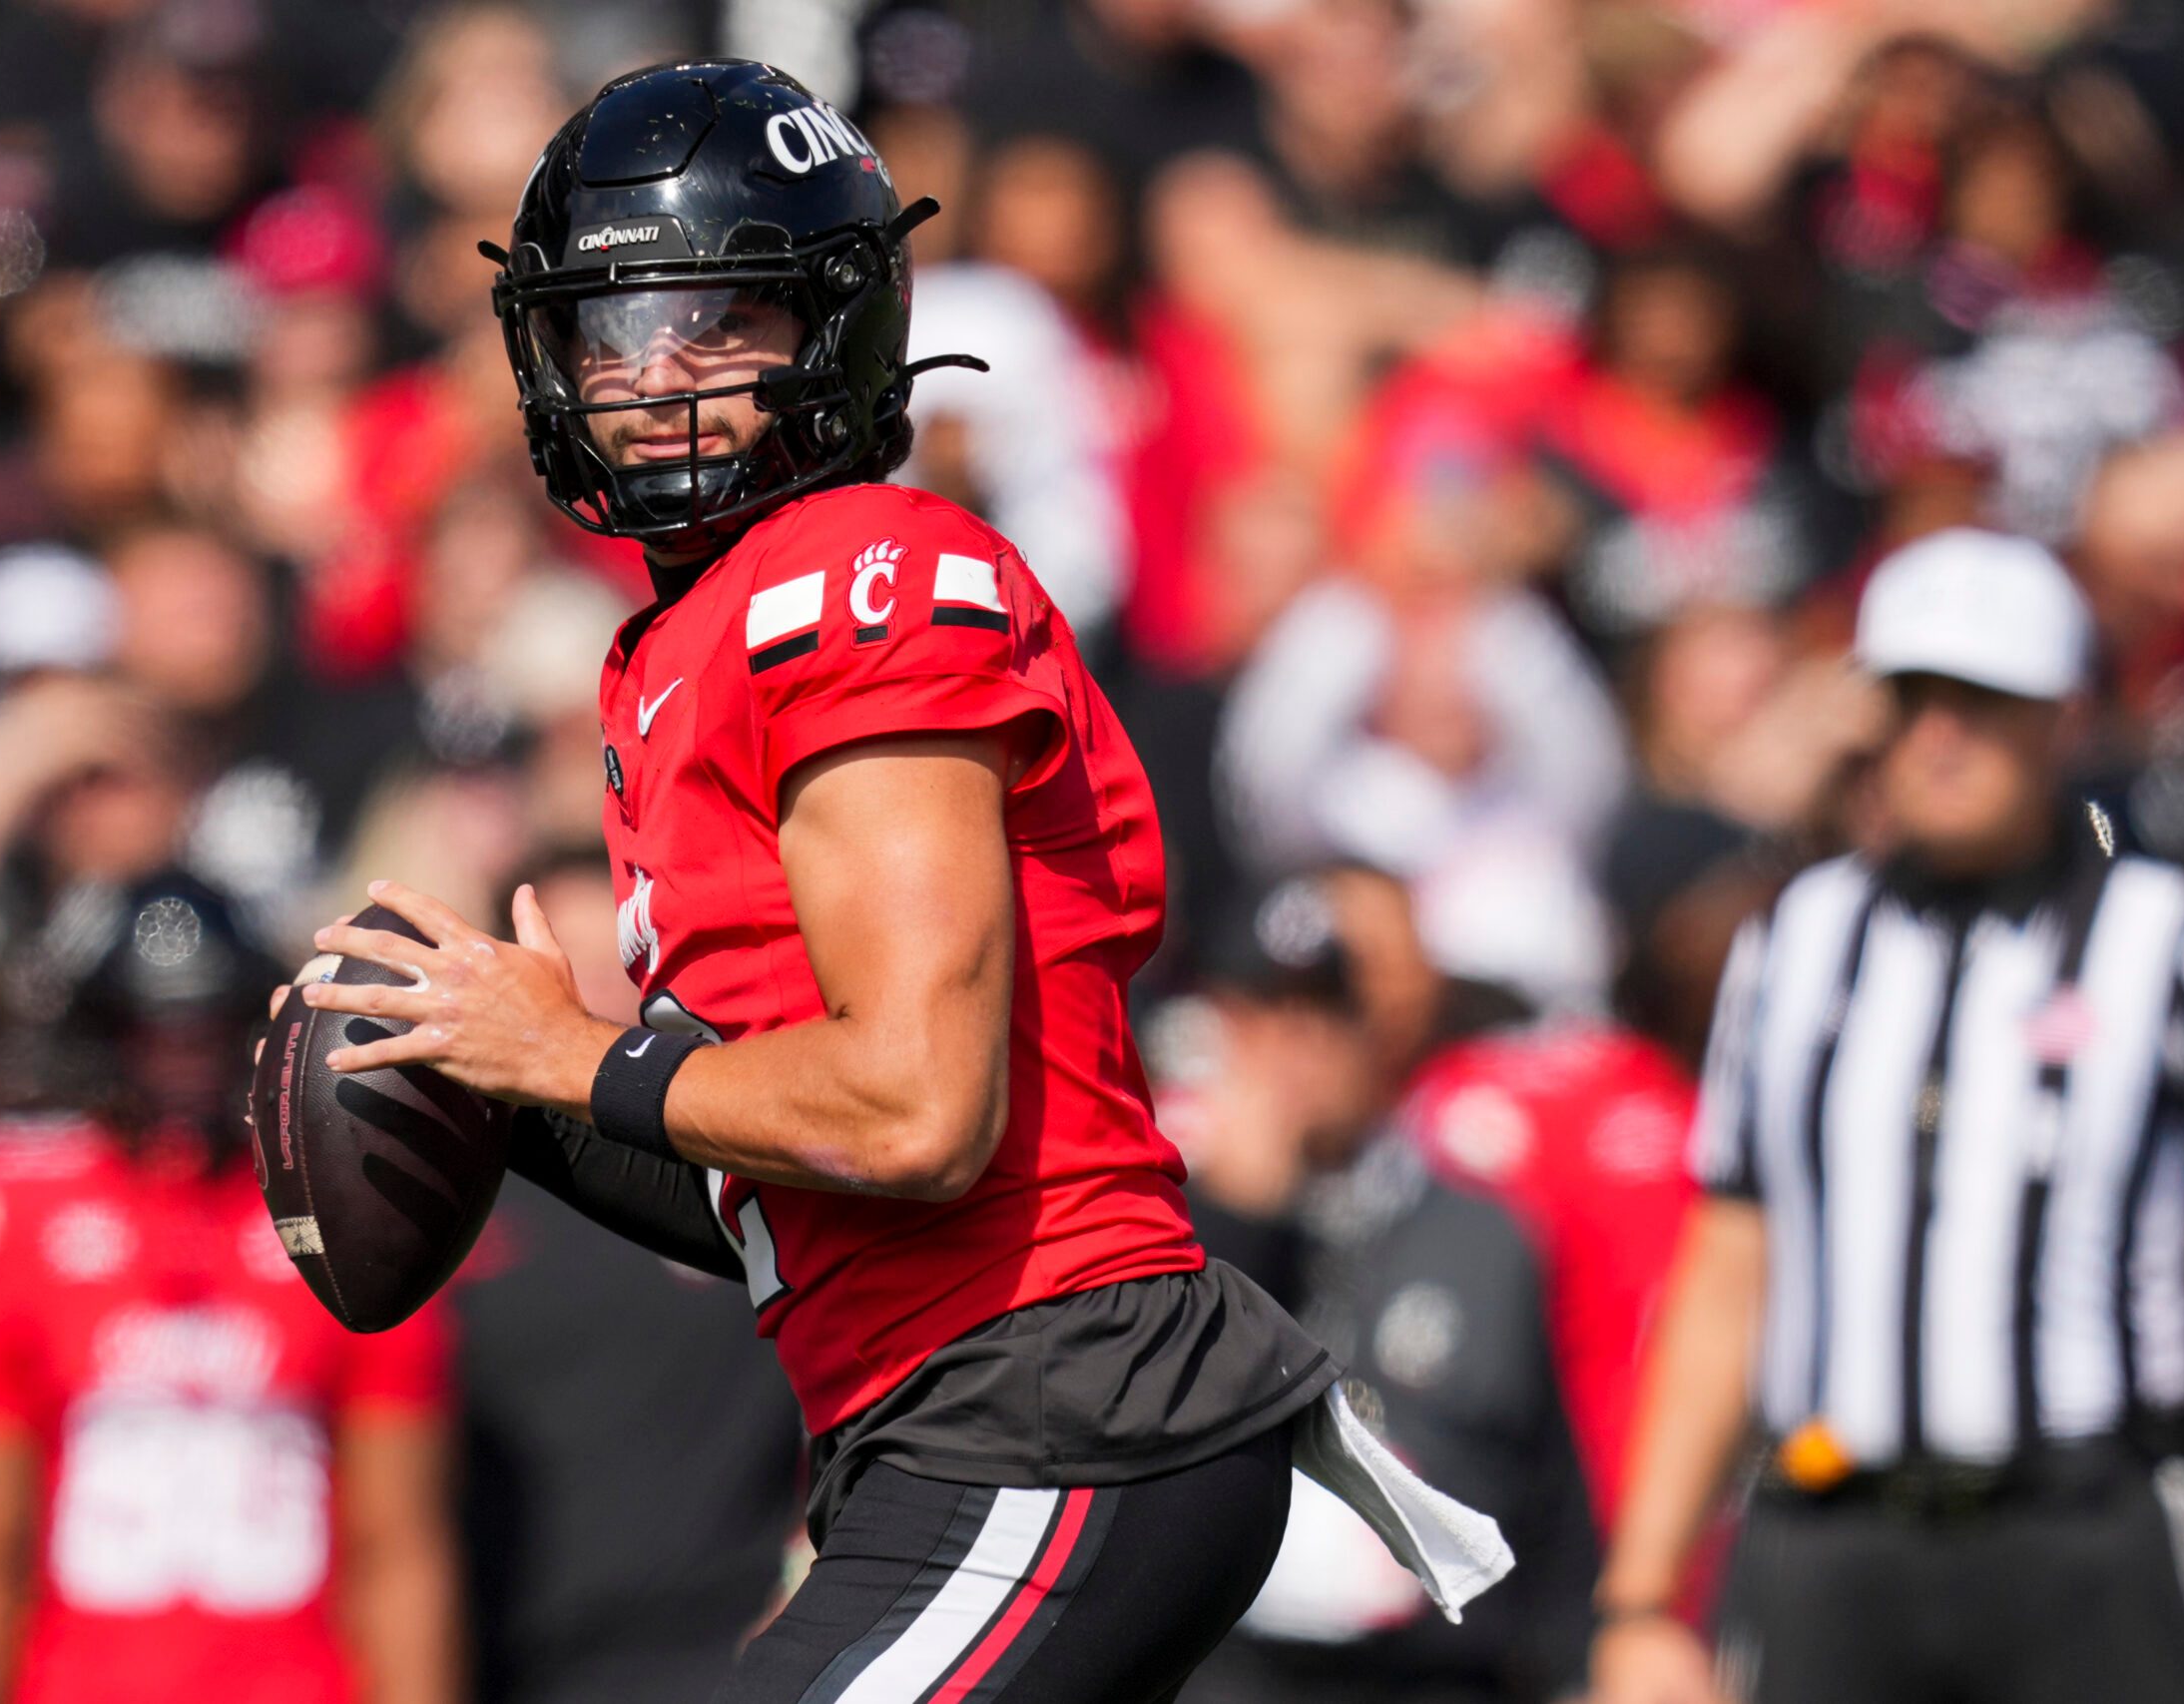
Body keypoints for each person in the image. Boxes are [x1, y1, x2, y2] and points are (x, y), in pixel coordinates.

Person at [283, 59, 1504, 1704]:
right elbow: (802, 1196)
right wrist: (516, 1093)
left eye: (717, 322)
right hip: (947, 1415)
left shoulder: (860, 579)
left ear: (833, 332)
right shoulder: (676, 646)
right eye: (614, 329)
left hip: (1061, 1401)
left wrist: (579, 1055)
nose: (655, 378)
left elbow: (918, 1112)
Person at [1590, 529, 2184, 1704]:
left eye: (1981, 701)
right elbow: (1729, 1269)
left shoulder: (2167, 942)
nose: (1939, 736)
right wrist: (1638, 1602)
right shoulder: (1793, 942)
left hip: (2085, 1540)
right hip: (1832, 1541)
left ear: (2061, 718)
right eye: (1913, 698)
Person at [0, 871, 458, 1704]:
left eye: (202, 1033)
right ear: (108, 1035)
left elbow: (401, 1553)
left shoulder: (344, 1220)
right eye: (155, 1034)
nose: (180, 1064)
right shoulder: (19, 1221)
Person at [1180, 881, 1597, 1704]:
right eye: (1268, 1012)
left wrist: (1582, 1656)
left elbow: (1554, 1487)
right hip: (1230, 1665)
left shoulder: (1482, 1230)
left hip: (1430, 1669)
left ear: (1378, 1027)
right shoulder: (1170, 1232)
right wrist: (1239, 1219)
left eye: (1327, 1012)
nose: (1298, 1047)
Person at [450, 848, 807, 1704]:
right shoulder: (460, 1196)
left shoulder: (753, 1175)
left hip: (740, 1658)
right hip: (518, 1659)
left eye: (622, 962)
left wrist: (816, 1576)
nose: (599, 998)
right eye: (560, 970)